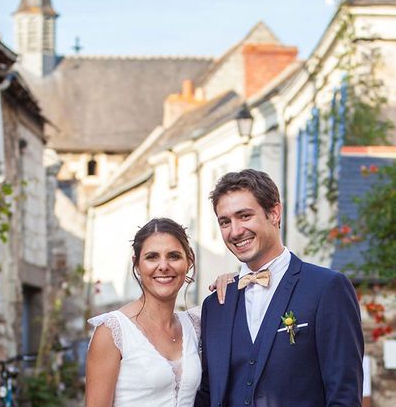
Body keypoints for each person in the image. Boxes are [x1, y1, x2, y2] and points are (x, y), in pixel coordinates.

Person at [195, 169, 364, 407]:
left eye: (244, 216)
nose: (235, 231)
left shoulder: (327, 288)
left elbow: (344, 395)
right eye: (225, 221)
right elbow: (207, 393)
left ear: (274, 213)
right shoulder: (216, 305)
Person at [85, 218, 201, 407]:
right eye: (152, 257)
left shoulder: (194, 326)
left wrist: (228, 280)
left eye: (174, 256)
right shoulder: (113, 331)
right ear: (137, 264)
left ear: (189, 261)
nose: (163, 266)